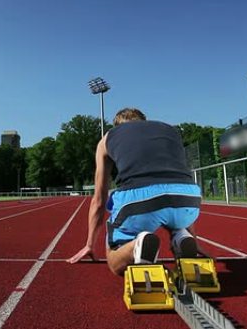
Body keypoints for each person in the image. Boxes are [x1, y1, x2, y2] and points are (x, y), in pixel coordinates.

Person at [67, 108, 202, 275]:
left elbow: (99, 199)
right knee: (172, 202)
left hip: (139, 199)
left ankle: (136, 246)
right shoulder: (169, 130)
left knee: (114, 261)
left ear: (117, 126)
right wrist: (193, 241)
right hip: (189, 198)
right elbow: (174, 181)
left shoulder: (108, 138)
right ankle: (181, 237)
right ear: (144, 121)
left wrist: (89, 244)